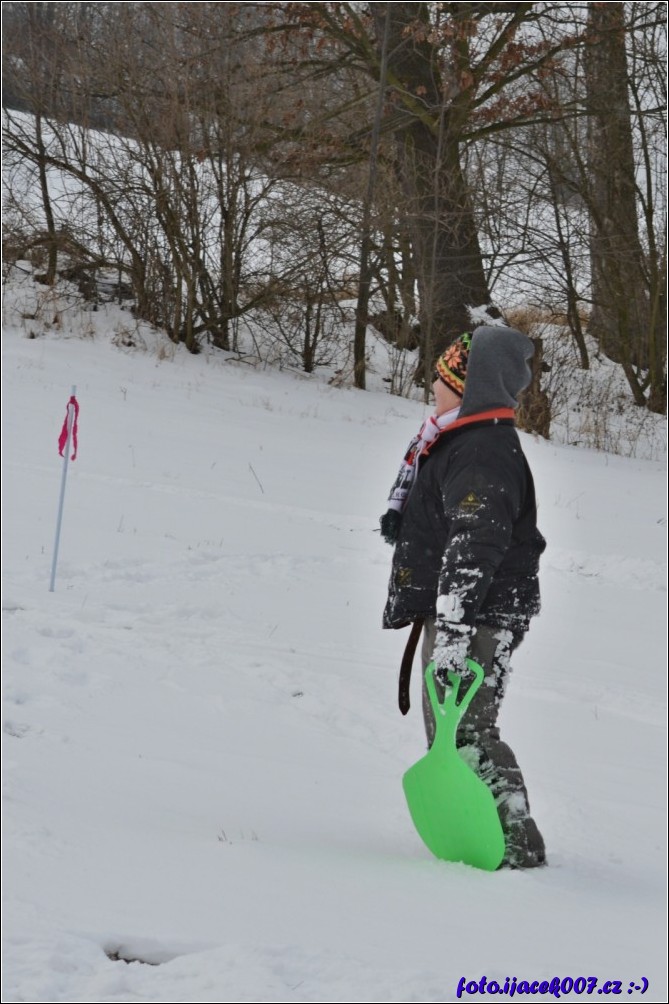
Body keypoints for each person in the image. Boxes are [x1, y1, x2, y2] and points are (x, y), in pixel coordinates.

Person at [380, 325, 547, 869]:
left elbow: (475, 545)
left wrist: (453, 631)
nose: (433, 381)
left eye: (445, 374)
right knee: (454, 729)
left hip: (475, 616)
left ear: (471, 385)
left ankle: (517, 846)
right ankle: (489, 837)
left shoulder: (481, 452)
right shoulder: (464, 440)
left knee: (467, 728)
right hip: (467, 612)